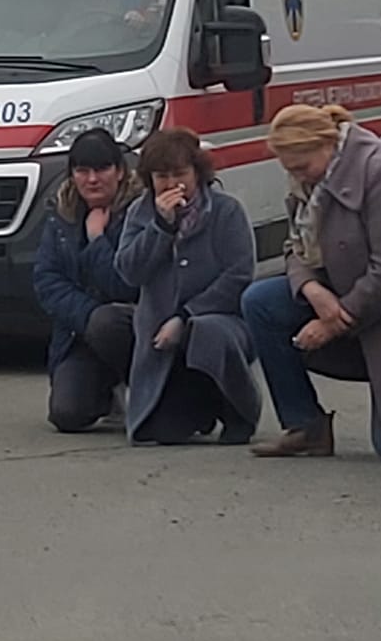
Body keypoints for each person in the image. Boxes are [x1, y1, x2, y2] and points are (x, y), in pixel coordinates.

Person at [243, 104, 381, 462]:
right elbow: (295, 247)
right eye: (291, 170)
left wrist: (336, 318)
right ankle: (305, 424)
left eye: (302, 167)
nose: (299, 177)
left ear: (325, 145)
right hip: (345, 297)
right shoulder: (308, 180)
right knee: (260, 301)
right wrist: (312, 292)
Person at [114, 129, 261, 445]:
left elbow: (239, 275)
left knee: (206, 331)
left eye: (180, 174)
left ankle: (237, 410)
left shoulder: (226, 210)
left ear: (197, 173)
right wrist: (161, 228)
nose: (171, 184)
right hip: (159, 334)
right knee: (163, 433)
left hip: (219, 323)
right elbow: (129, 271)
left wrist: (185, 315)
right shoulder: (140, 212)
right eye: (161, 176)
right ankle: (195, 408)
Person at [32, 129, 140, 433]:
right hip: (79, 333)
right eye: (83, 170)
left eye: (102, 169)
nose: (92, 179)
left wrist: (96, 240)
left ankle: (142, 386)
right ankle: (106, 395)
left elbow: (126, 284)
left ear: (120, 171)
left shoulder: (140, 212)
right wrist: (87, 315)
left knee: (106, 323)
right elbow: (47, 281)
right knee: (67, 415)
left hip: (134, 329)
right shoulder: (60, 215)